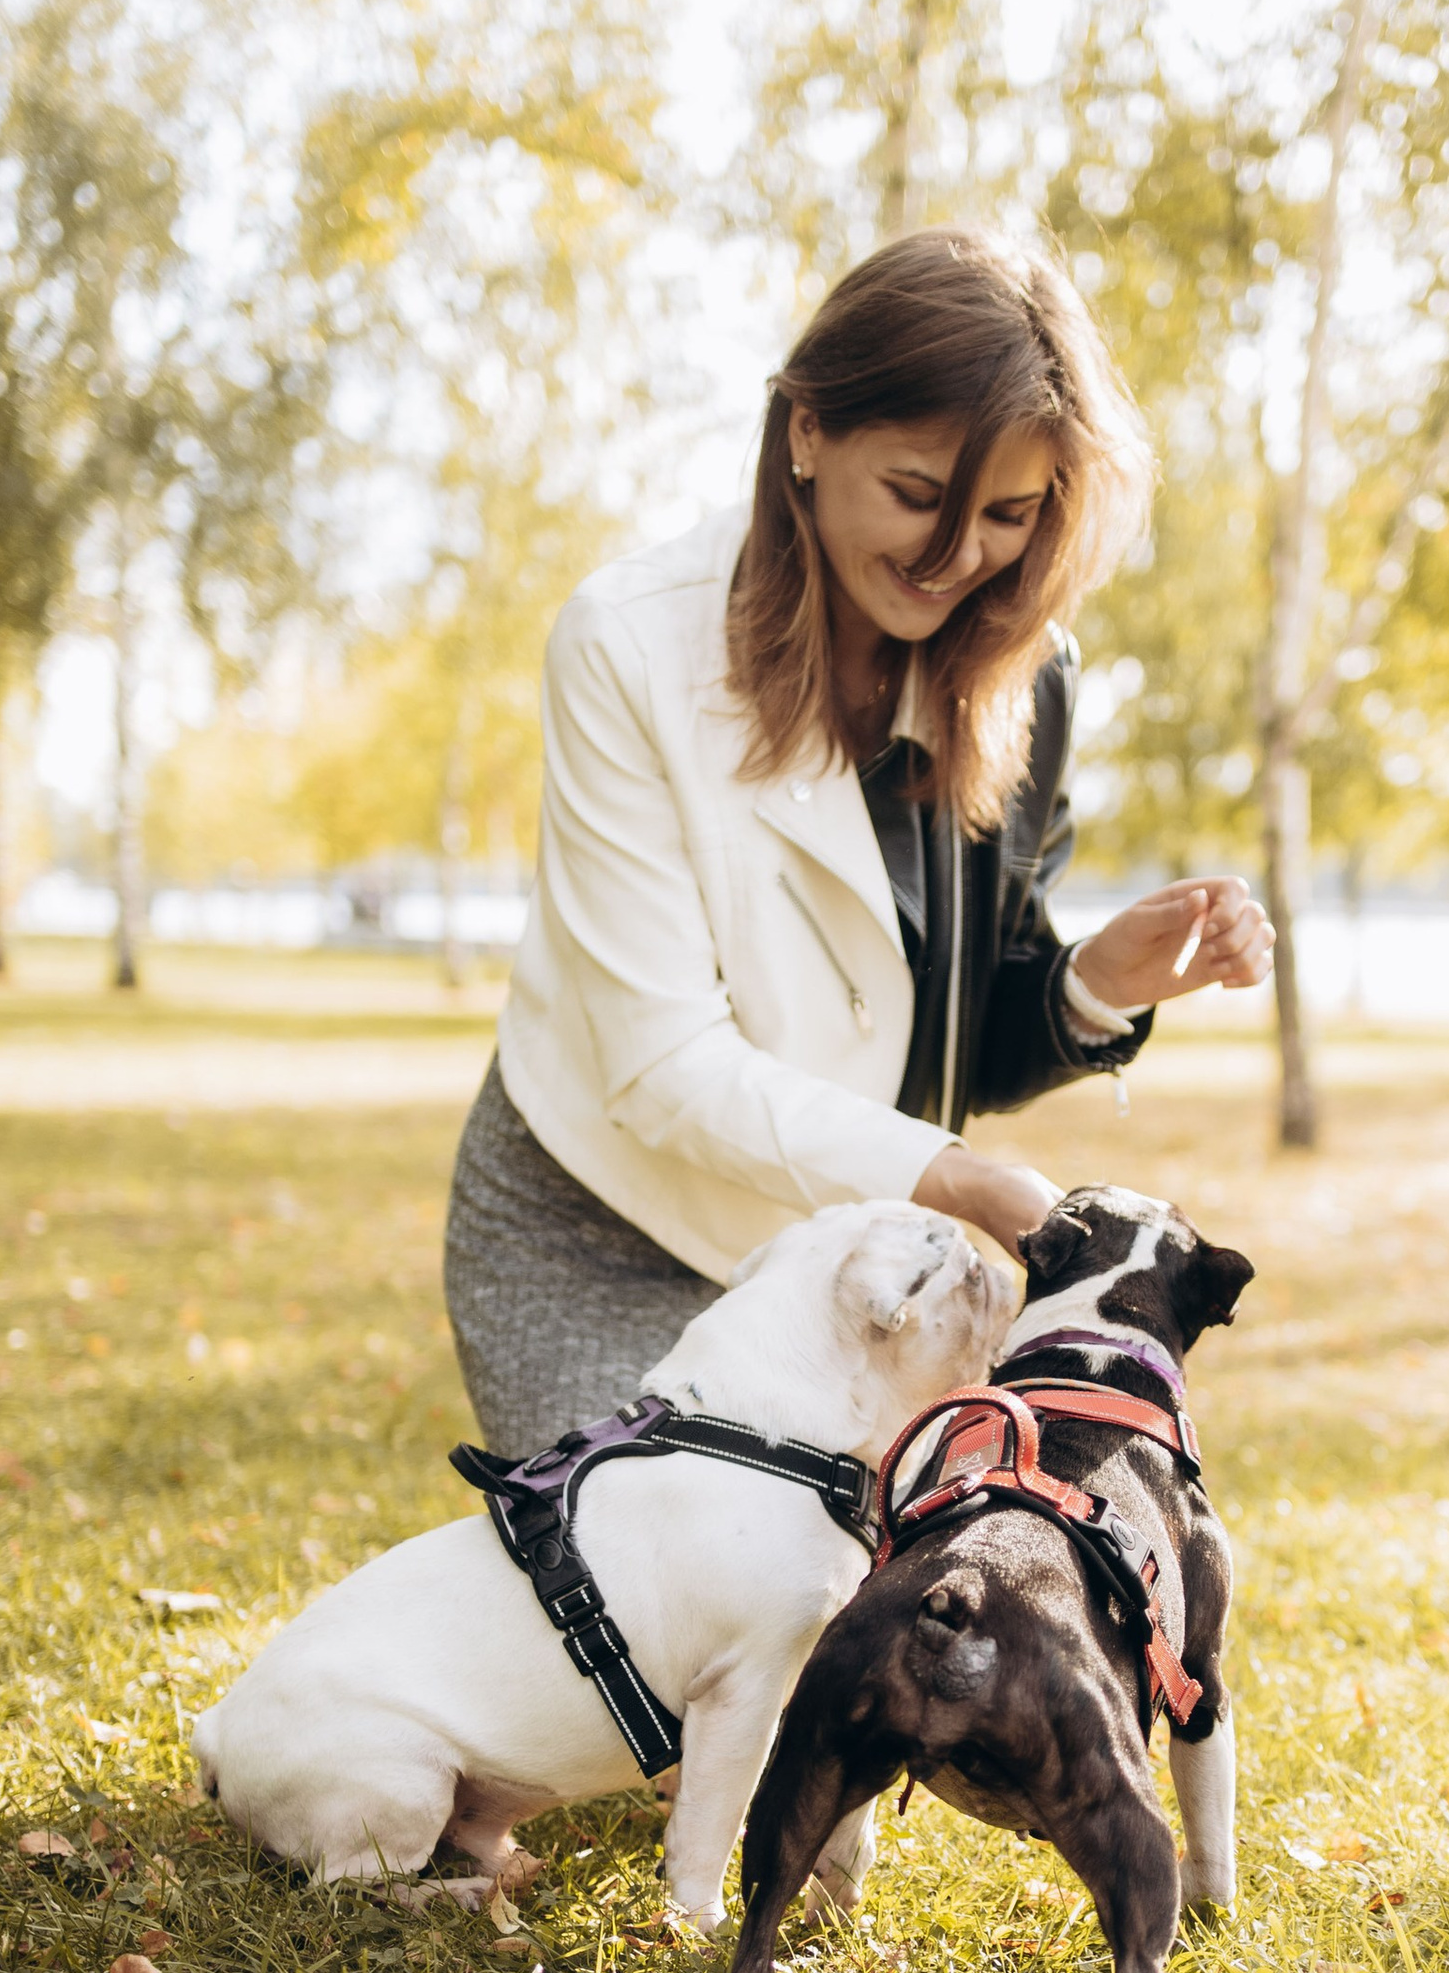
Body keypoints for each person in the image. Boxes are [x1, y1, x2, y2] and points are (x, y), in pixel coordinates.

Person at [442, 224, 1273, 1455]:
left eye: (1005, 515)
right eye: (918, 496)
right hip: (597, 1227)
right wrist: (960, 1184)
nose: (955, 560)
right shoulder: (624, 642)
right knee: (664, 1611)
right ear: (806, 432)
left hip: (861, 1256)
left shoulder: (1026, 680)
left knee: (901, 1620)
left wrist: (1097, 984)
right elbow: (661, 1063)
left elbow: (952, 1047)